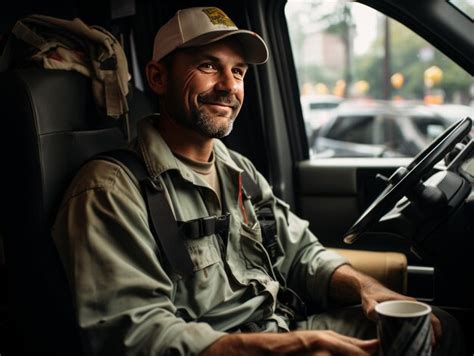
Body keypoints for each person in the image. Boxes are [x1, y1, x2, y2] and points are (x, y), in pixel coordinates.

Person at [52, 6, 465, 356]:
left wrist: (370, 289)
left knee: (438, 327)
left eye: (239, 71)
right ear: (158, 77)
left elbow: (302, 255)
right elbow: (137, 336)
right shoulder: (109, 191)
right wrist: (293, 347)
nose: (229, 86)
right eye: (208, 66)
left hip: (282, 328)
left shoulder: (237, 169)